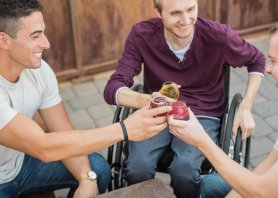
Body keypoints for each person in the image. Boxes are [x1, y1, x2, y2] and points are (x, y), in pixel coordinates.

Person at [0, 0, 171, 197]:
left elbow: (62, 130)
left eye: (43, 33)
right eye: (35, 36)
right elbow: (43, 147)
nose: (46, 43)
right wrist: (125, 129)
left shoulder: (38, 70)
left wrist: (86, 178)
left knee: (97, 169)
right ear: (4, 40)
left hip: (21, 165)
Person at [103, 0, 266, 197]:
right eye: (175, 13)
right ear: (158, 11)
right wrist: (146, 101)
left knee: (185, 169)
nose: (186, 20)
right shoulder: (142, 35)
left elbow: (256, 60)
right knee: (137, 167)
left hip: (204, 113)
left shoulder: (218, 36)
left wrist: (246, 107)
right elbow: (112, 88)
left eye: (191, 9)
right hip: (158, 110)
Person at [168, 18, 278, 198]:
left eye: (274, 61)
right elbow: (269, 165)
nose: (268, 69)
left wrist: (201, 140)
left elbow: (261, 192)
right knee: (211, 184)